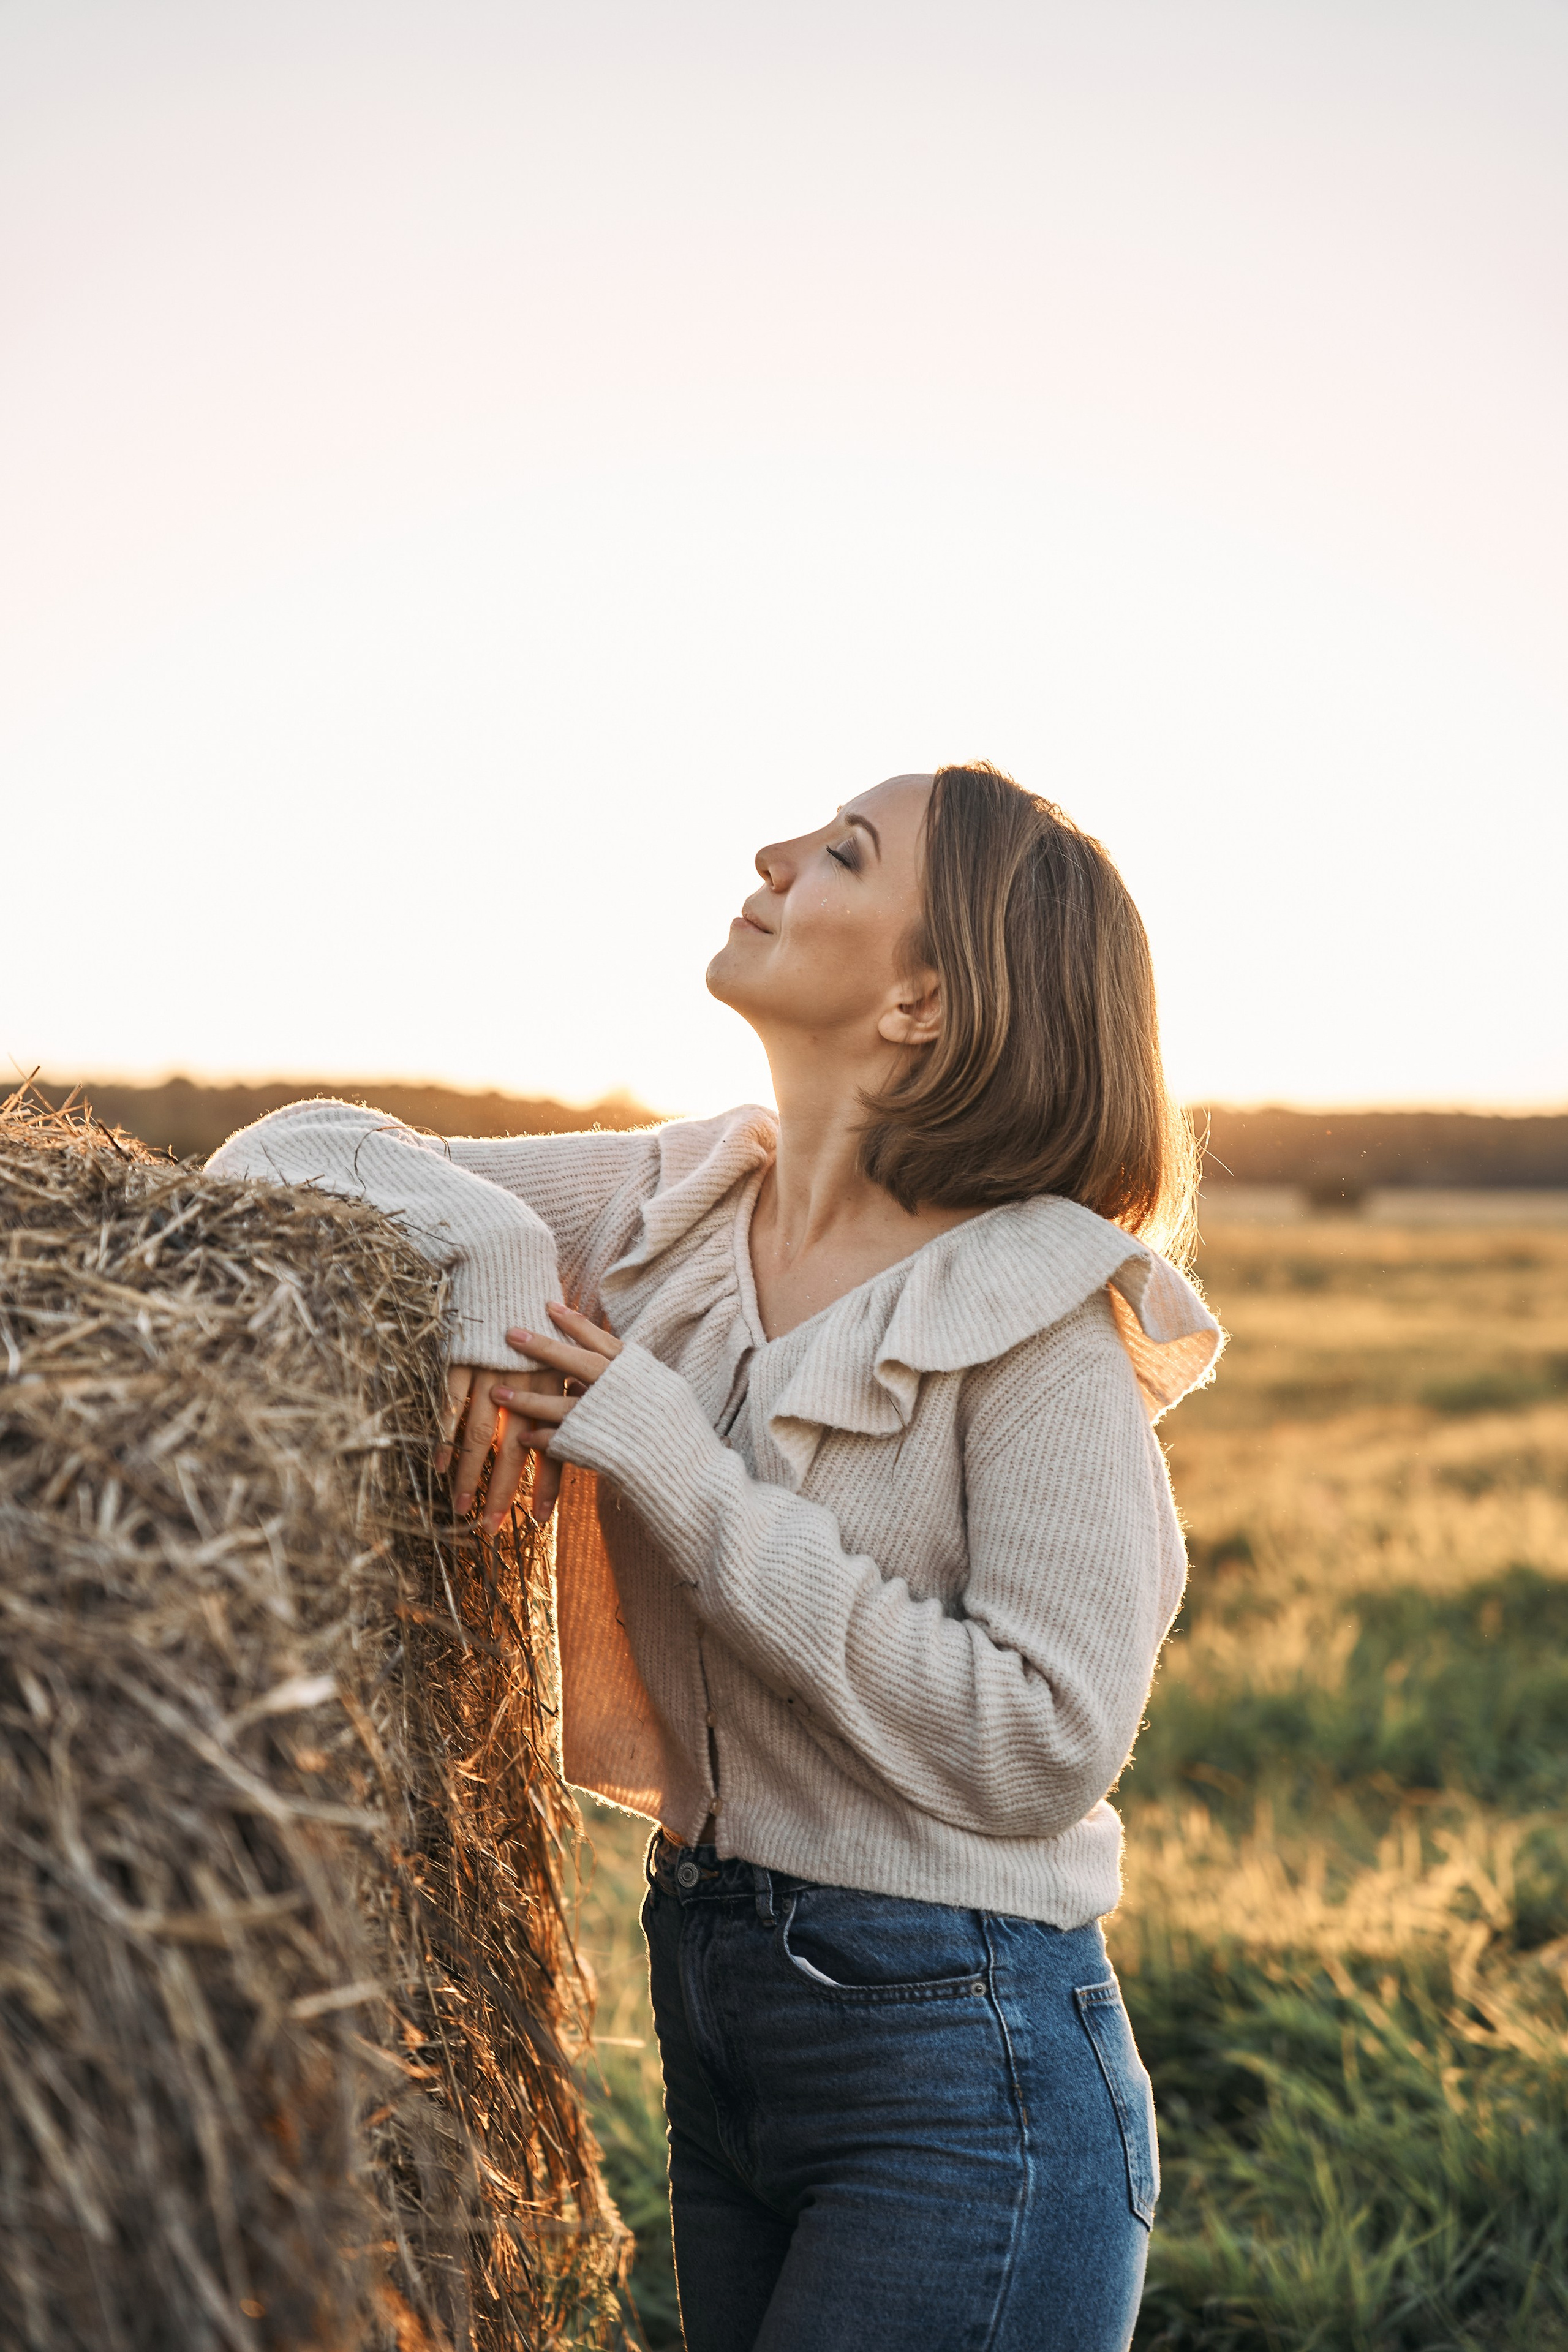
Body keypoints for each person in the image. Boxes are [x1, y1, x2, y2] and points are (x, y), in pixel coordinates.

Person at [208, 762, 1221, 2352]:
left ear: (924, 998)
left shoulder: (1039, 1314)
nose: (772, 853)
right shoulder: (672, 1205)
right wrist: (488, 1256)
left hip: (967, 2063)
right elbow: (284, 1161)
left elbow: (1041, 1744)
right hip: (718, 1995)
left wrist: (668, 1460)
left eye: (841, 853)